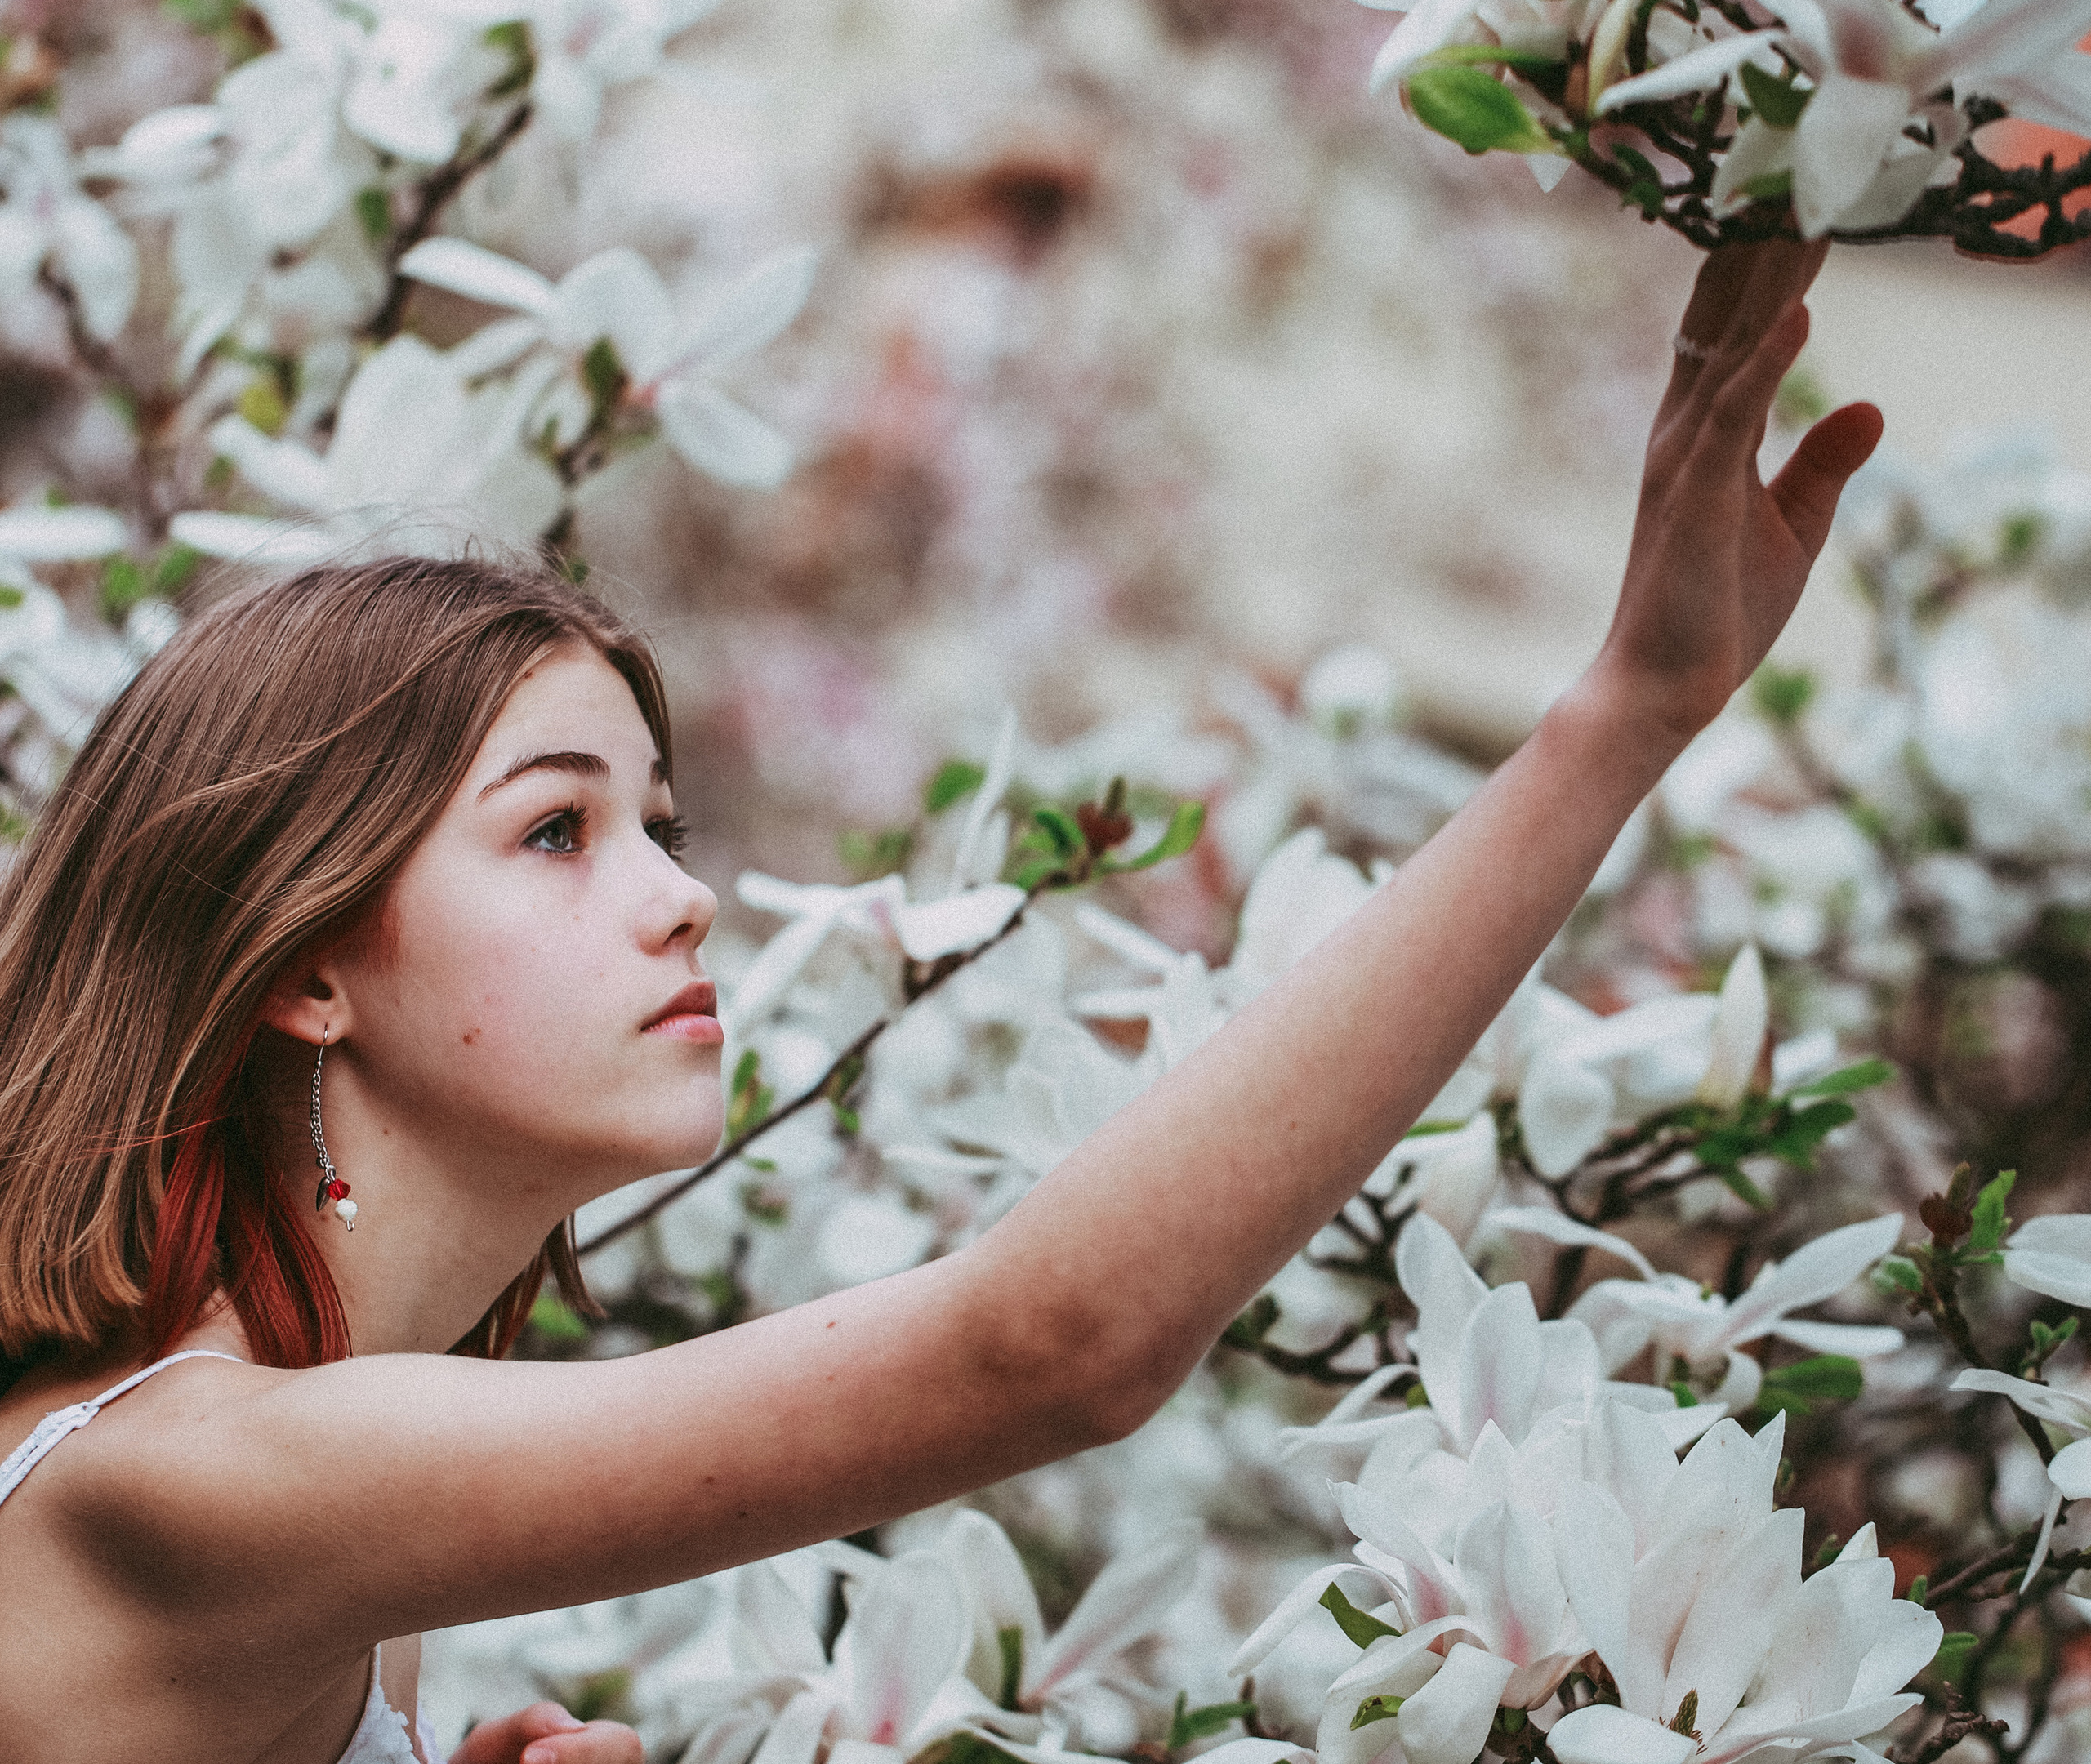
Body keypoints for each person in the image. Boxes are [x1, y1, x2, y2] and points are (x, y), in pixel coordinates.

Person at [0, 238, 1880, 1764]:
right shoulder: (211, 1471)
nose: (682, 895)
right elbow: (1049, 1345)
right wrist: (1614, 717)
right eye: (558, 830)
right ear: (305, 960)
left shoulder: (324, 1494)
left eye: (661, 819)